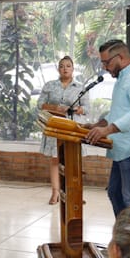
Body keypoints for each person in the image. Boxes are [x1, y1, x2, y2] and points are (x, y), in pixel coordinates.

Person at [85, 40, 130, 216]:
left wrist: (106, 131)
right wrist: (98, 125)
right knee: (115, 193)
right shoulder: (124, 76)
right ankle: (124, 236)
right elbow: (118, 113)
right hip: (123, 148)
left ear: (121, 57)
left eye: (106, 62)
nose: (104, 67)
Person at [38, 56, 89, 204]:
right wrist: (55, 108)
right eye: (62, 66)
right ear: (58, 69)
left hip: (73, 127)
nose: (65, 68)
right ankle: (55, 193)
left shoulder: (80, 88)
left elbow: (87, 108)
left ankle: (74, 192)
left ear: (73, 69)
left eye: (68, 66)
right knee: (55, 159)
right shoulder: (50, 85)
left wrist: (78, 109)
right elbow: (40, 104)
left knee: (73, 161)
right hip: (55, 126)